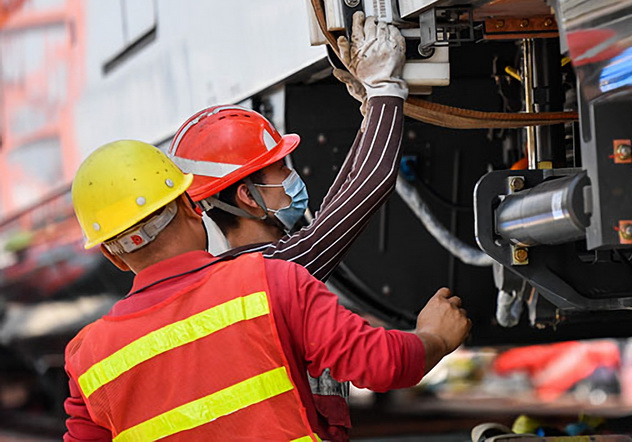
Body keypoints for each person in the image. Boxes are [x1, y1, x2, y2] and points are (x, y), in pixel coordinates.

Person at [63, 140, 470, 441]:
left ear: (113, 258)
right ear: (191, 208)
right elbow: (380, 364)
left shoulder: (89, 359)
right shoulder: (271, 283)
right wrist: (434, 337)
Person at [167, 12, 407, 281]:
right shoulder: (274, 270)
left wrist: (370, 112)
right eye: (280, 168)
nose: (292, 176)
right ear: (247, 196)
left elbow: (326, 218)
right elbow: (373, 182)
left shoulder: (237, 270)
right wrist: (386, 88)